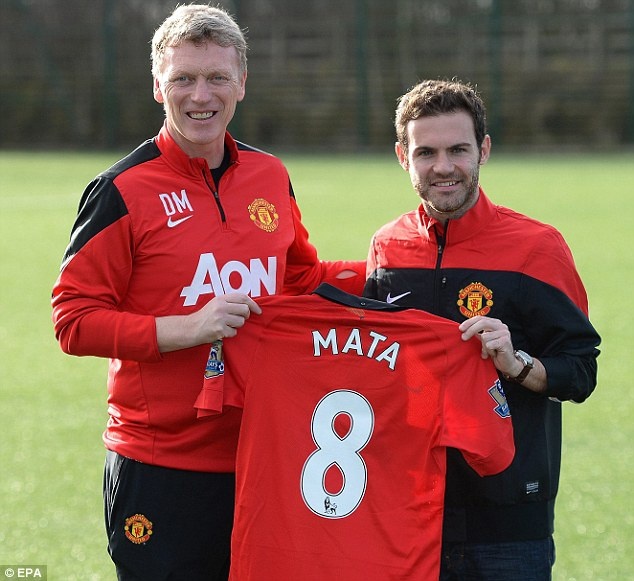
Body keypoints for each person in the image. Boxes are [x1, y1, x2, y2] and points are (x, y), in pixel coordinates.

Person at [51, 5, 364, 580]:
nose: (201, 95)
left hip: (266, 454)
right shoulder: (120, 190)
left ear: (242, 82)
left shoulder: (270, 175)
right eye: (184, 79)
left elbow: (299, 280)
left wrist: (393, 268)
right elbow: (73, 321)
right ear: (157, 86)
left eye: (217, 77)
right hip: (162, 467)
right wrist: (188, 328)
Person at [363, 79, 601, 580]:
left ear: (484, 150)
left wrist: (517, 364)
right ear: (403, 157)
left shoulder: (537, 248)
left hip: (509, 528)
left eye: (458, 150)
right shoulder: (387, 246)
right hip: (407, 517)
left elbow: (580, 371)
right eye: (426, 152)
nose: (443, 167)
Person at [193, 283, 514, 579]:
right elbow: (495, 455)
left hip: (276, 563)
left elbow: (211, 405)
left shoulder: (264, 328)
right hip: (389, 565)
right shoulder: (441, 348)